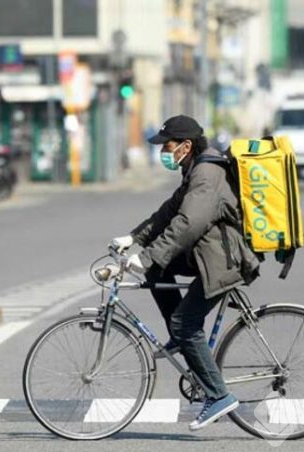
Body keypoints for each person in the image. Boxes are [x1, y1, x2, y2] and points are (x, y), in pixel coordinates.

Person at [109, 114, 260, 431]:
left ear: (186, 146)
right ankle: (182, 340)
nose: (164, 150)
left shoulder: (207, 175)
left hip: (223, 260)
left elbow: (187, 225)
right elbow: (168, 212)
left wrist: (148, 256)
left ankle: (219, 396)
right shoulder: (193, 169)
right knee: (158, 273)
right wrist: (134, 238)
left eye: (168, 145)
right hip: (207, 254)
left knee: (185, 321)